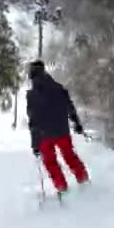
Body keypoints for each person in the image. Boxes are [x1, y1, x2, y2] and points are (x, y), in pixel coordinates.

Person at [26, 60, 89, 194]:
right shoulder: (59, 88)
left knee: (50, 163)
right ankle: (83, 179)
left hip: (44, 136)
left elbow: (33, 121)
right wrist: (76, 123)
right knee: (70, 156)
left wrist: (35, 144)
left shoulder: (31, 95)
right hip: (62, 131)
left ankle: (61, 187)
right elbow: (70, 107)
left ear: (31, 74)